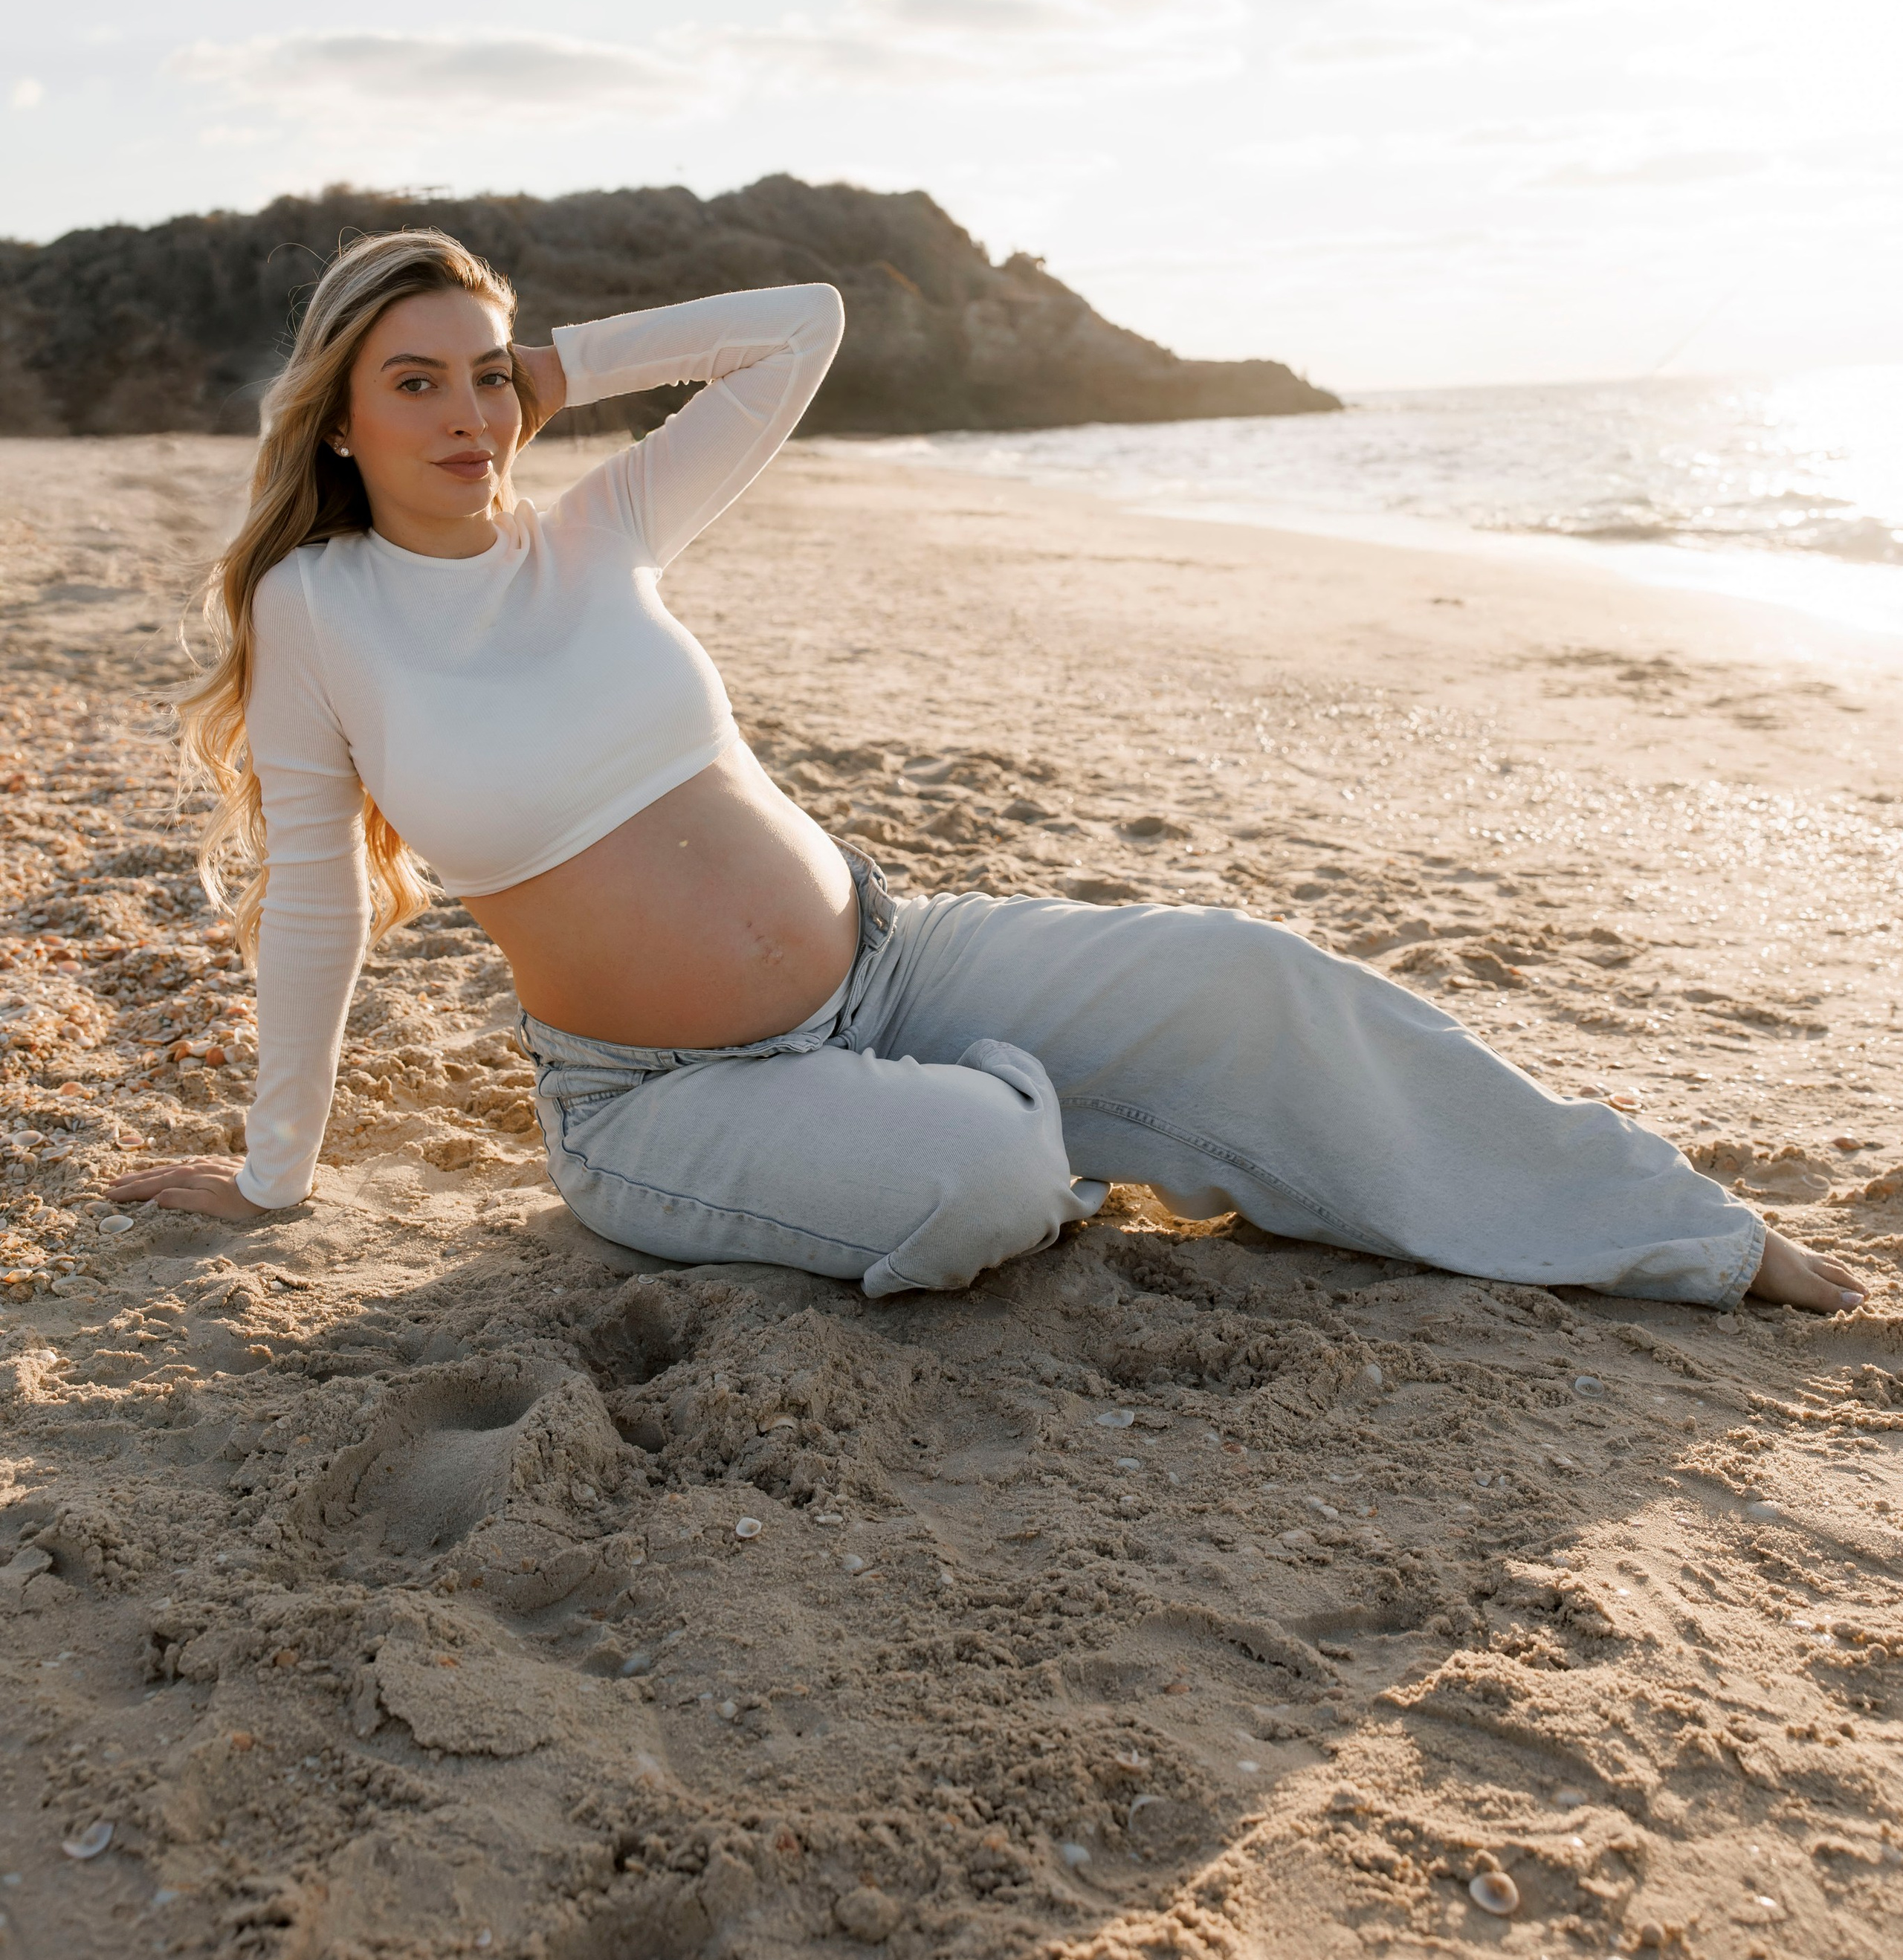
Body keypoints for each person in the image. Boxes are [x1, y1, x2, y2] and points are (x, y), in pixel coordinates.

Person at [108, 228, 1863, 1318]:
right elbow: (317, 896)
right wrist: (274, 1169)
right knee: (980, 1184)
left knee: (1248, 974)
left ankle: (1678, 1238)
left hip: (900, 960)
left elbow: (801, 324)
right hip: (660, 1099)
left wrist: (568, 363)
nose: (468, 416)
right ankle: (1044, 1120)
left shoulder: (601, 524)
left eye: (490, 379)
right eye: (416, 384)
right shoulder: (316, 608)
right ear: (339, 415)